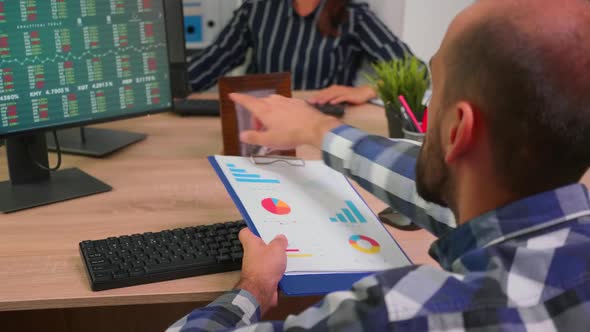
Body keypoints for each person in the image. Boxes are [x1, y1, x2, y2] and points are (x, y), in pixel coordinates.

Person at [168, 0, 590, 330]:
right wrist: (317, 129)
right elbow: (444, 195)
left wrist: (255, 289)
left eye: (436, 89)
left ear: (456, 130)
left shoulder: (403, 313)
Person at [188, 0, 417, 105]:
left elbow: (414, 71)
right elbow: (212, 61)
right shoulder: (258, 8)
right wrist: (162, 88)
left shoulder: (353, 14)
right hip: (262, 120)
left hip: (320, 127)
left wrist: (367, 90)